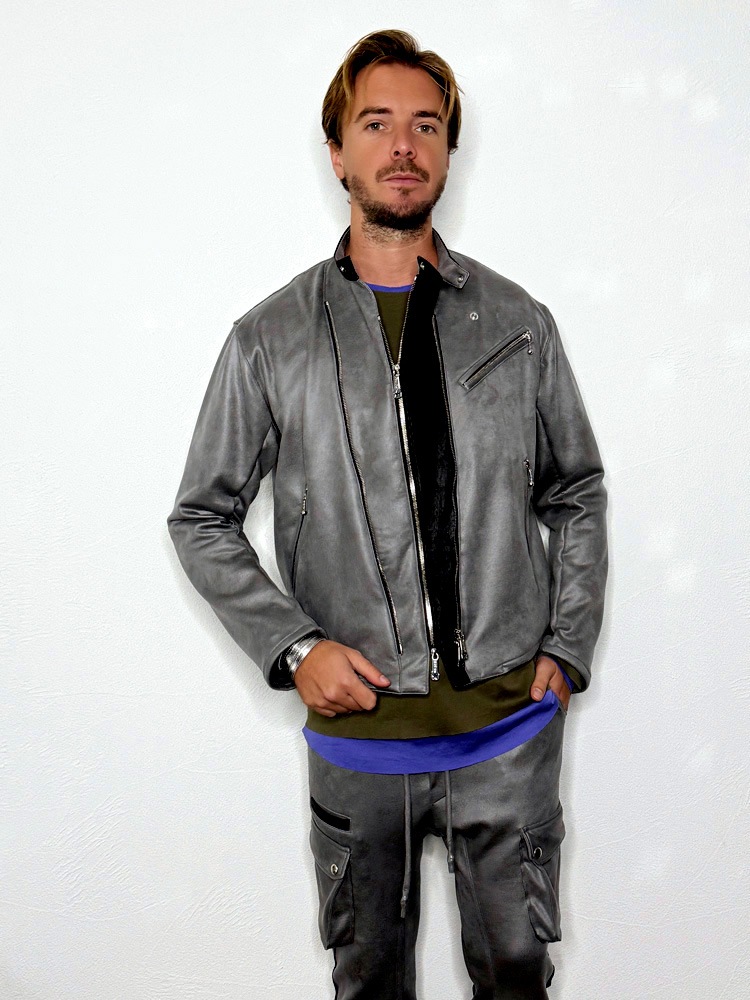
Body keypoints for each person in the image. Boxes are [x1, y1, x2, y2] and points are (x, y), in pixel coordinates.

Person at [167, 29, 607, 1000]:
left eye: (426, 126)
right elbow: (200, 515)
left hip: (509, 736)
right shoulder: (270, 339)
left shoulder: (519, 325)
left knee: (517, 979)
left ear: (448, 150)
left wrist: (569, 645)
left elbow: (575, 490)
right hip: (360, 744)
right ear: (337, 152)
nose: (403, 146)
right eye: (376, 124)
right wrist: (293, 647)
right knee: (368, 986)